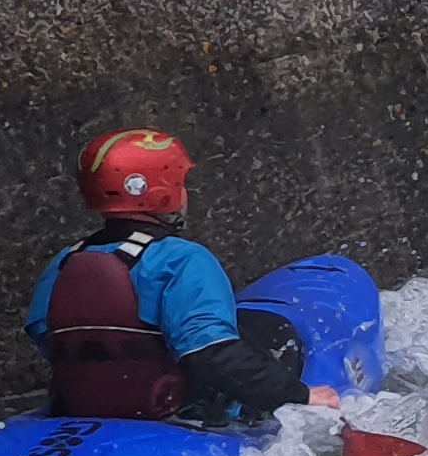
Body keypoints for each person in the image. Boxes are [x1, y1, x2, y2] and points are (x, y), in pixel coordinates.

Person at [24, 128, 336, 423]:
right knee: (276, 336)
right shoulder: (182, 259)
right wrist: (300, 395)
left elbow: (47, 337)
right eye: (180, 183)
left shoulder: (65, 261)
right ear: (162, 192)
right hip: (173, 411)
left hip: (82, 408)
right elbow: (211, 354)